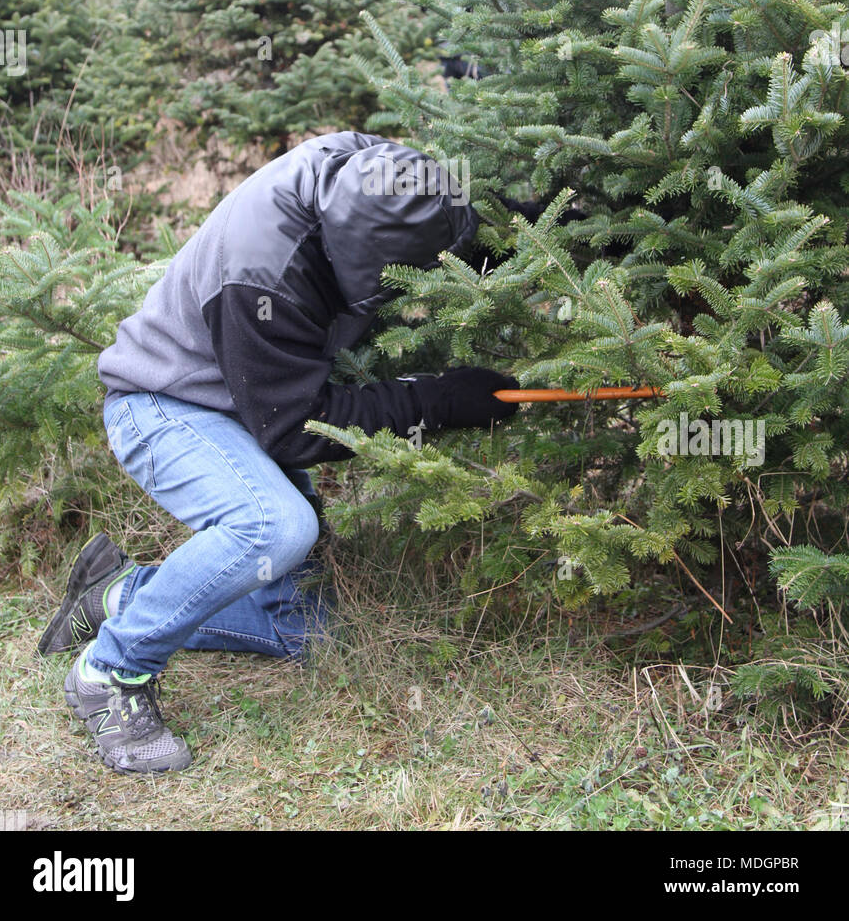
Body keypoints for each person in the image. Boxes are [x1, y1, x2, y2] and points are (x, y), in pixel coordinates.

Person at [38, 132, 521, 775]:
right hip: (167, 405)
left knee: (304, 636)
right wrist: (434, 401)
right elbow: (296, 429)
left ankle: (119, 595)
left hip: (249, 405)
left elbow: (454, 232)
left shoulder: (369, 166)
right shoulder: (261, 275)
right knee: (275, 527)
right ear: (355, 261)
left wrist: (566, 229)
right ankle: (112, 671)